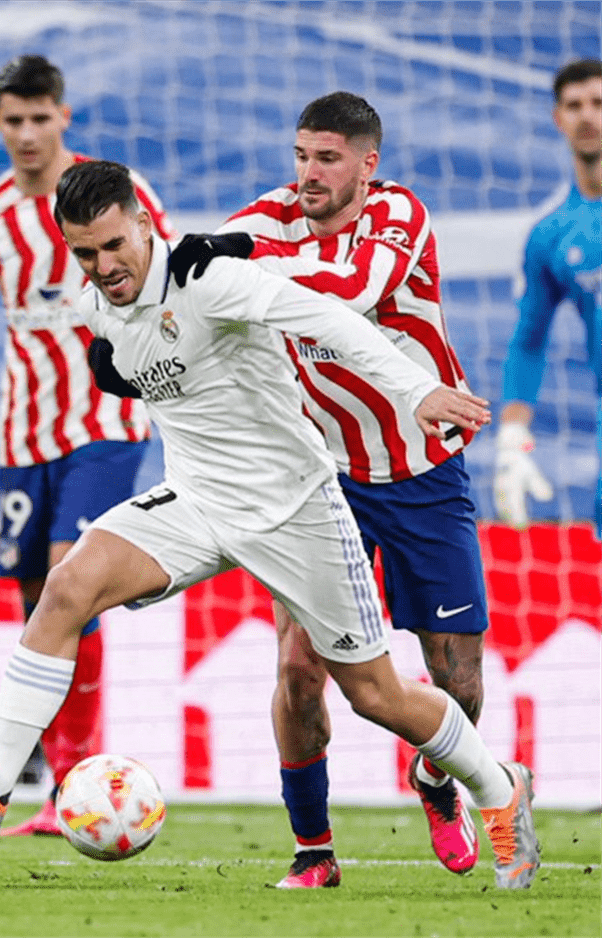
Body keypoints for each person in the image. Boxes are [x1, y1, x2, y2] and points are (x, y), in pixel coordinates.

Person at [0, 159, 540, 892]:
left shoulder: (212, 280)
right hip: (197, 503)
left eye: (115, 245)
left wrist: (416, 388)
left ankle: (498, 790)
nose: (105, 266)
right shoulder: (94, 305)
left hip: (296, 509)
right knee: (67, 585)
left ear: (145, 224)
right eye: (86, 253)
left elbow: (325, 317)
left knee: (376, 695)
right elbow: (130, 354)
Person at [196, 91, 493, 887]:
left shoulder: (400, 215)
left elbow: (348, 291)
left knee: (458, 681)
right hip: (320, 479)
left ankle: (436, 780)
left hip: (421, 469)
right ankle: (315, 852)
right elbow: (192, 274)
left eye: (327, 159)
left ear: (369, 164)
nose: (308, 176)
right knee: (297, 668)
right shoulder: (268, 217)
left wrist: (240, 258)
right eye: (300, 156)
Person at [0, 56, 175, 837]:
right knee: (37, 603)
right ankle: (51, 776)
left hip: (106, 425)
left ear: (63, 117)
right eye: (12, 121)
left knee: (67, 575)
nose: (26, 134)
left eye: (39, 118)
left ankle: (67, 787)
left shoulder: (120, 193)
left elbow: (175, 284)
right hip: (24, 437)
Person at [494, 59, 601, 538]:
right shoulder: (551, 233)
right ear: (558, 118)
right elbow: (529, 341)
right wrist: (513, 435)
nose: (588, 117)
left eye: (599, 104)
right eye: (574, 105)